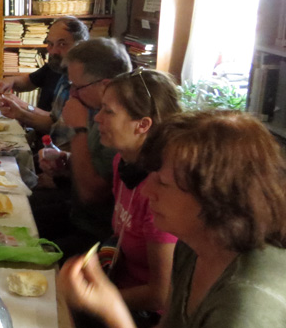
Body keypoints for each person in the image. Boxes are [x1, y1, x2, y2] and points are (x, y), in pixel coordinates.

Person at [59, 111, 286, 328]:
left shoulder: (246, 307)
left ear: (217, 198)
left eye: (163, 183)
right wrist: (108, 303)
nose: (146, 191)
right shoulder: (192, 246)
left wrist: (112, 309)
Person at [74, 69, 182, 328]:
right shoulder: (122, 163)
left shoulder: (161, 192)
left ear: (142, 125)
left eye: (108, 112)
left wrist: (92, 300)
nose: (97, 118)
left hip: (142, 314)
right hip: (115, 281)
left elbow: (160, 294)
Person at [36, 38, 131, 259]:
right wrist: (65, 162)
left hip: (97, 235)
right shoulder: (96, 110)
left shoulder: (119, 125)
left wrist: (78, 129)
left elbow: (92, 194)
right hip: (75, 213)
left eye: (77, 87)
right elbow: (94, 164)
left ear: (105, 85)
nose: (72, 94)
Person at [0, 16, 89, 128]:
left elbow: (57, 128)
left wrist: (23, 108)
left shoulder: (84, 82)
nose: (53, 51)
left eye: (62, 44)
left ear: (81, 46)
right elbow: (27, 81)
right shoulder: (56, 65)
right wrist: (8, 81)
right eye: (50, 44)